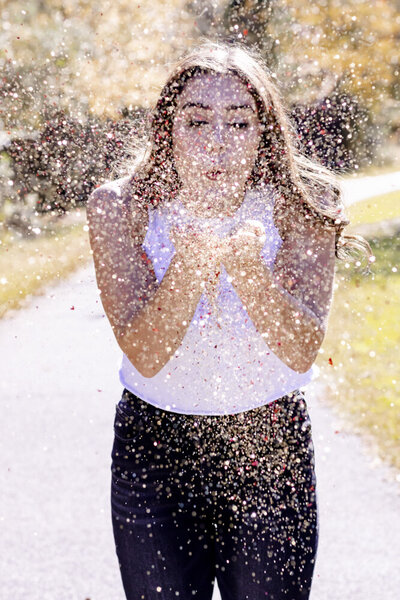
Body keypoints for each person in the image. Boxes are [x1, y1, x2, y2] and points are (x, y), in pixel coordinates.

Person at [87, 41, 370, 600]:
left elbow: (300, 349)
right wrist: (192, 264)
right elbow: (145, 351)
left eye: (240, 123)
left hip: (271, 446)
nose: (217, 141)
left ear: (265, 132)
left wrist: (246, 267)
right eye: (197, 121)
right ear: (167, 127)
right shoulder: (120, 206)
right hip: (156, 450)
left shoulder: (303, 203)